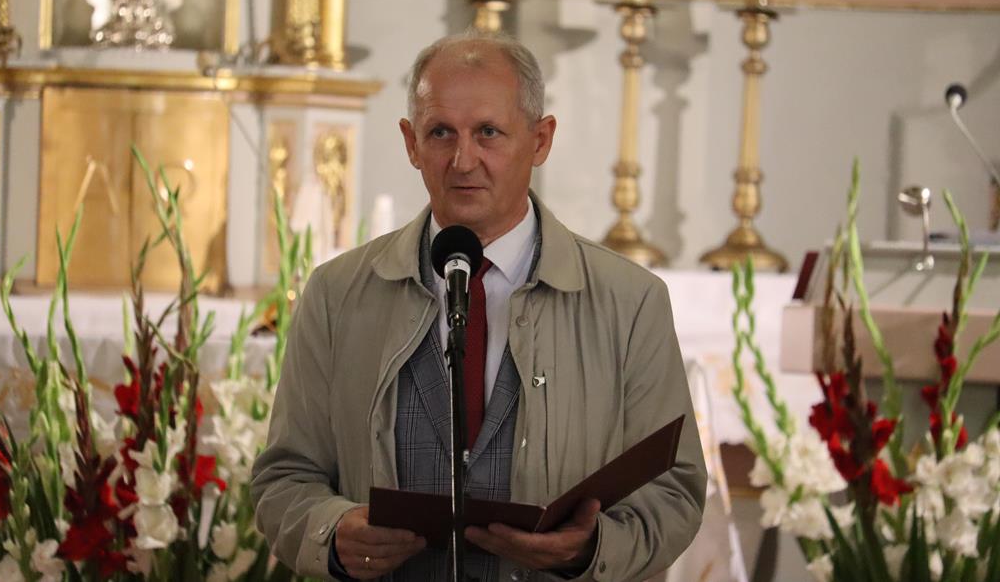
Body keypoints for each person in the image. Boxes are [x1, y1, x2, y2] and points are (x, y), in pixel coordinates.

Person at [251, 31, 706, 582]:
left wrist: (590, 549)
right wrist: (333, 533)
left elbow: (674, 489)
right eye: (440, 132)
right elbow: (283, 480)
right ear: (411, 143)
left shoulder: (629, 302)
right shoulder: (336, 295)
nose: (463, 161)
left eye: (488, 132)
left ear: (540, 140)